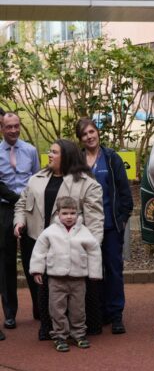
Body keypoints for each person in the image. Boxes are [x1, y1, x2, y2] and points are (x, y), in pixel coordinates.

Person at [15, 139, 103, 341]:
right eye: (50, 151)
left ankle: (78, 331)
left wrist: (91, 251)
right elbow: (21, 205)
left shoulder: (87, 184)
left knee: (76, 294)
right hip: (37, 240)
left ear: (67, 156)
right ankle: (50, 328)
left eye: (54, 152)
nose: (49, 154)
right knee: (45, 289)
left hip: (71, 248)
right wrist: (18, 223)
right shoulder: (35, 179)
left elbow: (95, 221)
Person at [75, 117, 133, 334]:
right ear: (80, 138)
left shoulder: (111, 158)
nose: (89, 137)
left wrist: (122, 218)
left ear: (97, 132)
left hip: (110, 226)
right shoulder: (77, 161)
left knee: (113, 269)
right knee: (91, 270)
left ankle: (116, 314)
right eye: (84, 134)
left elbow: (124, 193)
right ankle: (97, 312)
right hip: (84, 227)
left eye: (92, 132)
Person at [29, 197, 102, 352]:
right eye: (65, 213)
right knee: (57, 308)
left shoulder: (84, 231)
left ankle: (79, 334)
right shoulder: (50, 232)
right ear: (58, 214)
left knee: (78, 309)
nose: (69, 216)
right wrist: (37, 270)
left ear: (77, 214)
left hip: (78, 279)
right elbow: (39, 251)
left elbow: (94, 251)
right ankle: (60, 336)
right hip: (56, 279)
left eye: (72, 213)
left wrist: (94, 273)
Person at [0, 111, 40, 330]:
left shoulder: (31, 151)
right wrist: (17, 199)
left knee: (32, 258)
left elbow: (36, 178)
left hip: (29, 209)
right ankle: (10, 312)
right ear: (2, 128)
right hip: (4, 208)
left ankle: (38, 307)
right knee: (6, 262)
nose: (13, 130)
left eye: (16, 126)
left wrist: (28, 204)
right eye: (9, 127)